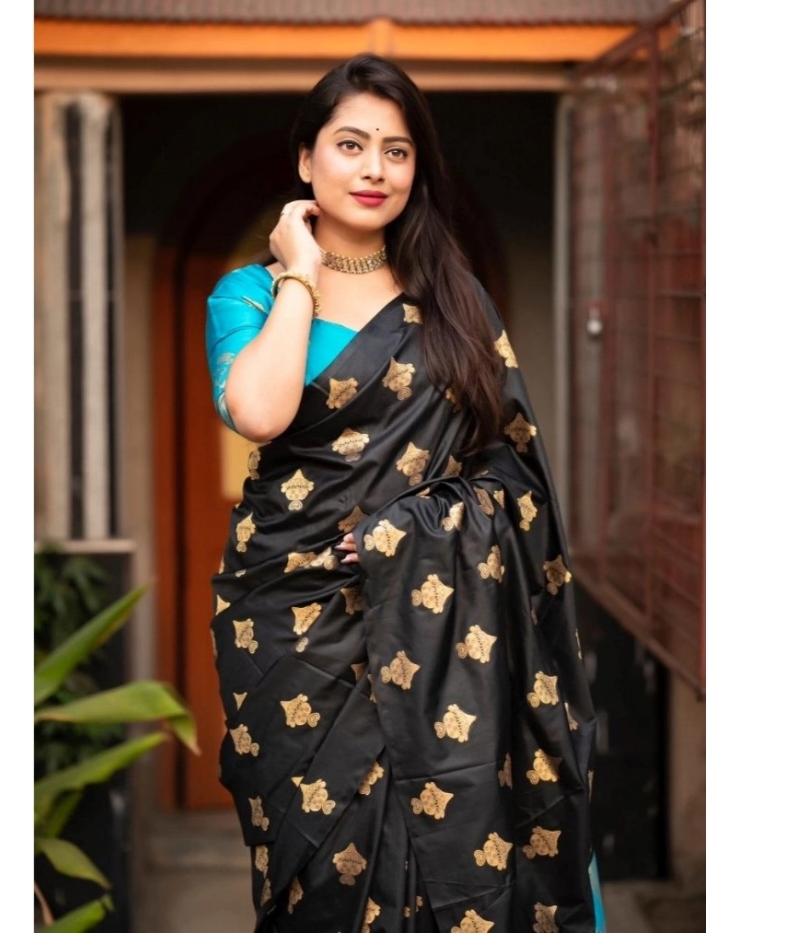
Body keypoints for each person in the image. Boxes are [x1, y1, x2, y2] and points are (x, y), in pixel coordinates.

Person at [205, 54, 604, 933]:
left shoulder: (455, 302)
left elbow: (511, 478)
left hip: (444, 633)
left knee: (459, 860)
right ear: (306, 159)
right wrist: (300, 270)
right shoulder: (249, 295)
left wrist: (416, 529)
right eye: (350, 145)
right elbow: (260, 414)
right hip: (292, 628)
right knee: (323, 877)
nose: (375, 169)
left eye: (397, 150)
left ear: (417, 168)